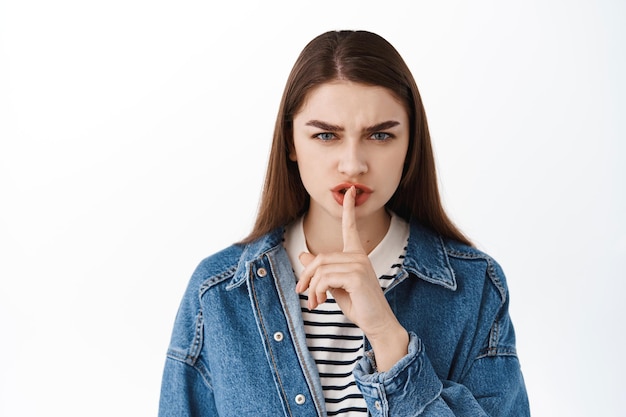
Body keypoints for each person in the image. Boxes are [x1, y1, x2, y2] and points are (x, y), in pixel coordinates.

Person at [158, 30, 530, 416]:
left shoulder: (473, 289)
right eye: (325, 135)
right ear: (290, 142)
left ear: (410, 144)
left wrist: (387, 338)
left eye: (381, 135)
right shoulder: (219, 294)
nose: (353, 165)